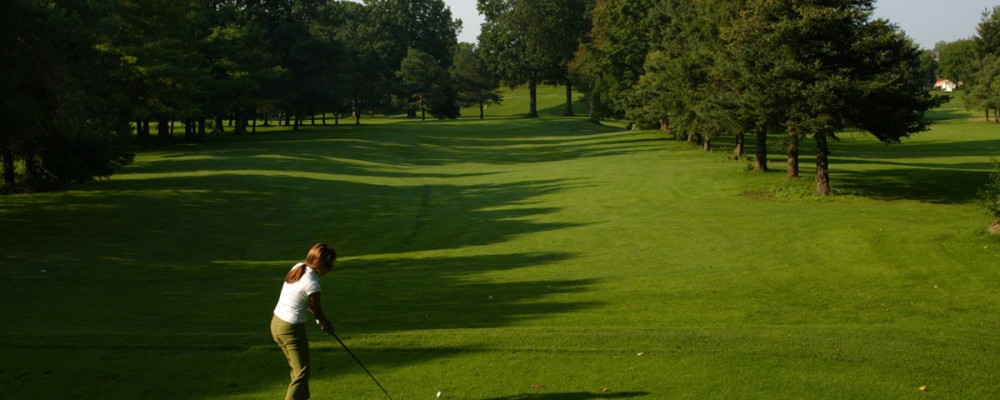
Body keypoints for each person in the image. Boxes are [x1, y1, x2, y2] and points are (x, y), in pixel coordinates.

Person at [271, 243, 336, 400]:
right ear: (320, 264)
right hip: (291, 330)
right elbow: (317, 311)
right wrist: (326, 324)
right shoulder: (313, 284)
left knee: (296, 371)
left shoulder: (298, 267)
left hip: (276, 324)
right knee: (301, 373)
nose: (330, 269)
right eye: (329, 265)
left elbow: (309, 306)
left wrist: (321, 322)